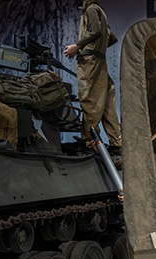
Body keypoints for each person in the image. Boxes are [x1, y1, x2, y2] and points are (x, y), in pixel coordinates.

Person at [63, 0, 121, 153]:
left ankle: (88, 142)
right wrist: (98, 47)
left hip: (89, 62)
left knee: (90, 102)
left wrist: (78, 46)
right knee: (108, 104)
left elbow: (95, 31)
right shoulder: (101, 12)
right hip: (100, 61)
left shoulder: (91, 10)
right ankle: (117, 143)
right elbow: (112, 37)